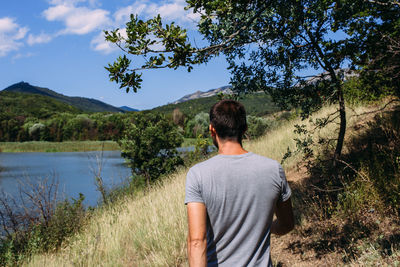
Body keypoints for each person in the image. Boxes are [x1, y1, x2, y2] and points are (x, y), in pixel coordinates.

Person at [185, 99, 294, 267]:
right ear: (245, 129)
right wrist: (265, 227)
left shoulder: (198, 174)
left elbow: (197, 241)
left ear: (211, 130)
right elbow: (287, 224)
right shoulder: (273, 169)